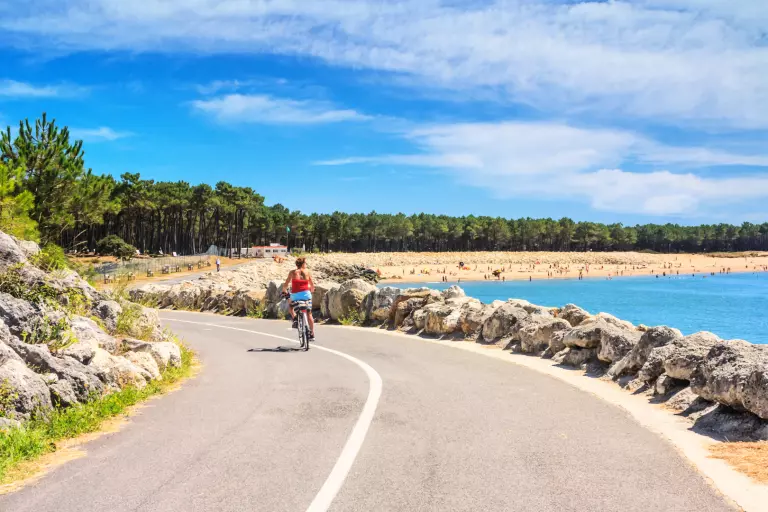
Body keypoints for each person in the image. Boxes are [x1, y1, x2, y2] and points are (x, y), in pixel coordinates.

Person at [282, 257, 315, 341]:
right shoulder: (307, 272)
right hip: (306, 295)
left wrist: (284, 291)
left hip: (296, 296)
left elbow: (286, 284)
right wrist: (311, 290)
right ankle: (312, 333)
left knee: (290, 306)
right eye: (305, 263)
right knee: (309, 314)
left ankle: (295, 319)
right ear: (303, 264)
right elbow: (312, 285)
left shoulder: (292, 272)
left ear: (296, 264)